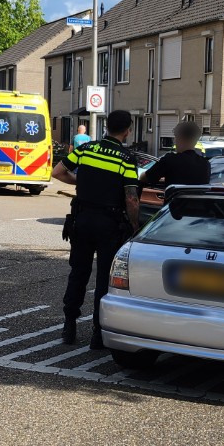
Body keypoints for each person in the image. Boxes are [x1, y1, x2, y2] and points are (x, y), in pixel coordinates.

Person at [53, 109, 141, 349]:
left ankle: (69, 325)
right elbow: (131, 199)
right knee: (104, 277)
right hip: (109, 225)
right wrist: (135, 225)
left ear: (106, 126)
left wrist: (80, 182)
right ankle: (97, 333)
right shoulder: (125, 159)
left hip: (81, 220)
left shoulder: (86, 149)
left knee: (78, 272)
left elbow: (57, 172)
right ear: (127, 131)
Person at [142, 119, 209, 188]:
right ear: (196, 140)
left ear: (179, 138)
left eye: (175, 138)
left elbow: (145, 178)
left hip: (174, 195)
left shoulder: (169, 160)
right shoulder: (205, 164)